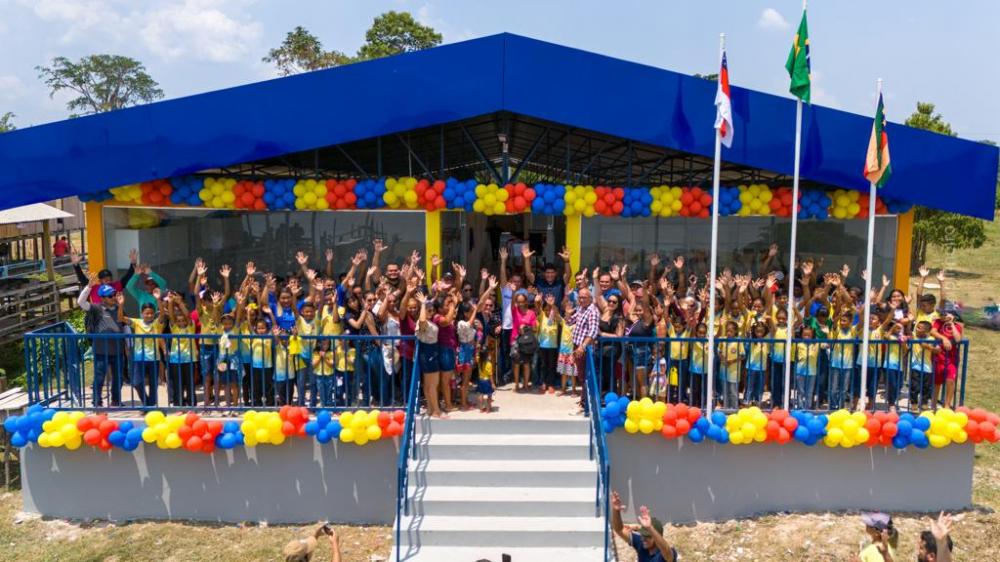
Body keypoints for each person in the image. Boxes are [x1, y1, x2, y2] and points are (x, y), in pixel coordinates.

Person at [77, 276, 127, 407]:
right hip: (101, 350)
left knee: (118, 378)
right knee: (99, 377)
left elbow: (125, 325)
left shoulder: (119, 308)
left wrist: (129, 343)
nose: (114, 297)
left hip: (117, 350)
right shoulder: (96, 308)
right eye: (110, 296)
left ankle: (116, 400)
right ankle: (97, 401)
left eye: (114, 294)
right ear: (103, 298)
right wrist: (88, 287)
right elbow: (81, 302)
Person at [610, 490, 678, 562]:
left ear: (656, 536)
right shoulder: (641, 543)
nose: (643, 538)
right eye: (642, 535)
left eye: (647, 536)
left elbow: (667, 552)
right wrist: (616, 510)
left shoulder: (664, 554)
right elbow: (619, 530)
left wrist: (650, 528)